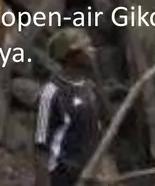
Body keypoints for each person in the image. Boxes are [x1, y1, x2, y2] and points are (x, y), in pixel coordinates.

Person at [33, 28, 105, 186]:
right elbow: (41, 146)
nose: (92, 51)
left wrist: (98, 172)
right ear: (71, 55)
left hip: (88, 177)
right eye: (86, 48)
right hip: (60, 178)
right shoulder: (51, 93)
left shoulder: (89, 89)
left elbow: (94, 135)